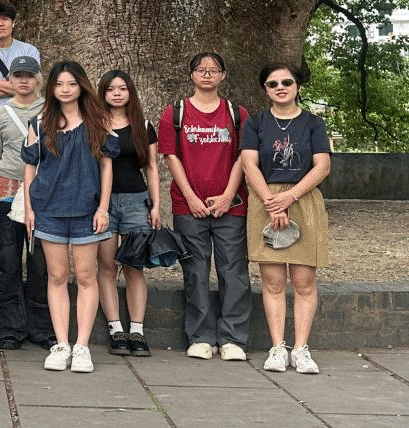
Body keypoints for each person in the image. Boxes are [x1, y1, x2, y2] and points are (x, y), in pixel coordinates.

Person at [22, 61, 116, 373]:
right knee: (57, 276)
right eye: (59, 84)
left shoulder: (98, 122)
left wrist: (103, 208)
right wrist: (29, 209)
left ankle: (82, 346)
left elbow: (107, 166)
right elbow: (29, 167)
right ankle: (61, 344)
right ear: (51, 87)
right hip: (49, 209)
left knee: (87, 276)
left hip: (87, 210)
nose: (65, 89)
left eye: (71, 84)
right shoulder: (39, 123)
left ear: (81, 86)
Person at [158, 51, 251, 362]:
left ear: (223, 75)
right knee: (195, 272)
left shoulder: (237, 114)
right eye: (201, 70)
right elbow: (171, 157)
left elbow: (244, 157)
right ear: (192, 75)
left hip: (231, 206)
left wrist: (227, 195)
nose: (207, 75)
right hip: (189, 206)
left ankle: (233, 338)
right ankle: (200, 337)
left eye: (213, 70)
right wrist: (191, 198)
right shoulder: (175, 113)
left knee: (233, 271)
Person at [240, 63, 331, 375]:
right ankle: (278, 347)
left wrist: (289, 198)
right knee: (273, 281)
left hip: (303, 200)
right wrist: (272, 202)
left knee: (304, 281)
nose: (280, 87)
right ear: (265, 89)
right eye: (273, 83)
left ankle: (301, 349)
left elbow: (322, 166)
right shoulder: (255, 123)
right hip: (265, 199)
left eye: (287, 82)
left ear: (298, 86)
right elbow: (249, 164)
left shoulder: (313, 123)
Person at [0, 56, 54, 350]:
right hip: (5, 188)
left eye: (29, 75)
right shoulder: (1, 112)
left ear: (39, 78)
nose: (24, 81)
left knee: (42, 263)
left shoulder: (51, 110)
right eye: (18, 75)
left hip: (42, 191)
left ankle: (42, 327)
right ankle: (9, 328)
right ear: (10, 80)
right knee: (7, 261)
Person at [95, 69, 160, 357]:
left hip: (136, 201)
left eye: (122, 88)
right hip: (103, 203)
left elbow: (152, 168)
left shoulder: (143, 126)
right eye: (111, 89)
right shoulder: (94, 124)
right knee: (106, 266)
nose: (117, 94)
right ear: (103, 93)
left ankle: (137, 330)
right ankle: (116, 330)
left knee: (134, 267)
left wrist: (156, 205)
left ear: (130, 92)